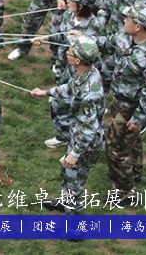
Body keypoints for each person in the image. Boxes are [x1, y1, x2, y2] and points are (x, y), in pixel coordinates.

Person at [30, 35, 105, 216]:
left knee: (75, 181)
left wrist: (75, 154)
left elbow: (89, 127)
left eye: (70, 51)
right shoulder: (87, 72)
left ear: (77, 60)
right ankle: (65, 201)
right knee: (68, 174)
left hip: (86, 142)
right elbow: (69, 88)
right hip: (78, 134)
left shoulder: (89, 93)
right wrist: (46, 92)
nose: (66, 52)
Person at [105, 3, 146, 203]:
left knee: (115, 149)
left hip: (130, 107)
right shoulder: (125, 37)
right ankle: (135, 172)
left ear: (138, 26)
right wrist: (81, 38)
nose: (124, 20)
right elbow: (106, 42)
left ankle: (124, 192)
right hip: (119, 100)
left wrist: (139, 119)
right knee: (131, 141)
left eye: (128, 19)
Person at [98, 0, 146, 92]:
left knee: (123, 87)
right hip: (111, 39)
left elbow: (140, 28)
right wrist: (99, 24)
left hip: (128, 46)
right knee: (103, 75)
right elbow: (105, 7)